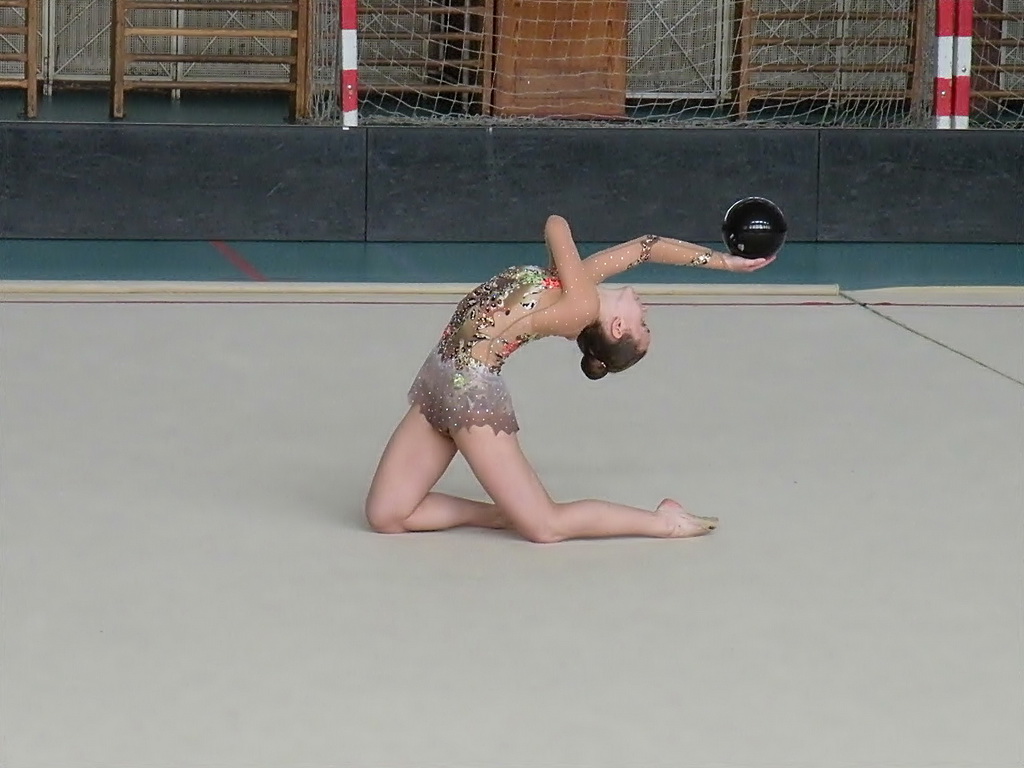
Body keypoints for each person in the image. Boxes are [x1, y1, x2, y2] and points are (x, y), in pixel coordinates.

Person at [364, 214, 776, 543]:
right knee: (387, 514)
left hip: (469, 393)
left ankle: (664, 522)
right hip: (440, 376)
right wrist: (725, 262)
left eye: (644, 326)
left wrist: (565, 261)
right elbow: (645, 246)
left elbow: (557, 226)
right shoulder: (576, 288)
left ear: (617, 328)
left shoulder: (579, 305)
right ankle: (506, 511)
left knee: (546, 527)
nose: (647, 311)